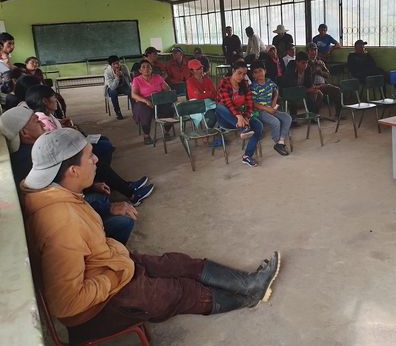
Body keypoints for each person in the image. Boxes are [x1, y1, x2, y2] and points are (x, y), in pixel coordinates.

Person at [21, 128, 281, 344]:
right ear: (73, 171)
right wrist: (114, 276)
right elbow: (67, 304)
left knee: (178, 263)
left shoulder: (61, 195)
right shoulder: (61, 222)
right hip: (97, 308)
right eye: (90, 157)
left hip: (109, 266)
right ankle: (248, 298)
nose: (96, 160)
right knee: (178, 292)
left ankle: (250, 283)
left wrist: (118, 263)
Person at [0, 107, 147, 244]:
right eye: (36, 121)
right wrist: (108, 208)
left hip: (72, 209)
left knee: (100, 179)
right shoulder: (29, 160)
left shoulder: (34, 150)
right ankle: (129, 195)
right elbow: (65, 194)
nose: (42, 122)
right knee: (122, 220)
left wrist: (93, 186)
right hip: (74, 221)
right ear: (24, 133)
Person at [25, 84, 116, 165]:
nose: (56, 100)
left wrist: (62, 123)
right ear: (45, 101)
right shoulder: (44, 122)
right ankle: (97, 168)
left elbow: (56, 128)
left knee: (104, 140)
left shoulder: (47, 115)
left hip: (70, 145)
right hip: (68, 152)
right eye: (53, 97)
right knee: (105, 146)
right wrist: (71, 131)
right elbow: (59, 144)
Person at [216, 60, 263, 167]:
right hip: (227, 119)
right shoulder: (224, 83)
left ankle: (247, 156)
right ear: (233, 71)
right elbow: (227, 103)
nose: (241, 76)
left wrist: (245, 117)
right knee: (219, 106)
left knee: (259, 126)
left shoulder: (244, 84)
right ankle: (244, 128)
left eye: (244, 74)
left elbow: (249, 103)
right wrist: (239, 117)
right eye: (239, 73)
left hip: (242, 119)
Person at [250, 61, 292, 156]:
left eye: (260, 70)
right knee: (275, 122)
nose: (259, 73)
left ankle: (281, 142)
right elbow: (253, 104)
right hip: (259, 112)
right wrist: (267, 109)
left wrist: (274, 101)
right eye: (255, 72)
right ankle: (277, 141)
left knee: (287, 118)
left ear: (265, 71)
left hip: (270, 109)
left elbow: (276, 90)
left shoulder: (270, 82)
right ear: (253, 75)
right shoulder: (253, 87)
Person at [131, 59, 174, 145]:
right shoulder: (136, 80)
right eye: (143, 67)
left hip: (159, 99)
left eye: (148, 67)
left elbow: (168, 89)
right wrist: (146, 100)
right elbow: (134, 95)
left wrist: (162, 96)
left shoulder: (158, 77)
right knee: (143, 111)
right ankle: (146, 135)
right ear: (140, 70)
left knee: (169, 109)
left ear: (151, 69)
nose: (146, 69)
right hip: (144, 101)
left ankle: (166, 132)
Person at [280, 51, 322, 115]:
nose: (305, 65)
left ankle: (314, 114)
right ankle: (293, 117)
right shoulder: (291, 67)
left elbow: (309, 83)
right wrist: (307, 90)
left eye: (307, 62)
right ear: (297, 62)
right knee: (295, 97)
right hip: (289, 91)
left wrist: (314, 88)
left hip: (302, 90)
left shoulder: (308, 69)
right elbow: (291, 85)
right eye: (303, 63)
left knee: (319, 94)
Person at [307, 43, 342, 118]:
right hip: (312, 86)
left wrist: (320, 72)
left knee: (337, 90)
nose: (314, 52)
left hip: (322, 84)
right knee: (316, 94)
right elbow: (306, 77)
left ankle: (338, 114)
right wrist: (314, 71)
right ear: (308, 52)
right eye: (311, 50)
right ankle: (314, 116)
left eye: (315, 50)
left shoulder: (320, 62)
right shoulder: (306, 63)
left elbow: (328, 74)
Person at [186, 59, 218, 128]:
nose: (200, 70)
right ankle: (208, 131)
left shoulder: (207, 79)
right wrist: (209, 93)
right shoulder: (190, 81)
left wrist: (204, 93)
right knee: (213, 117)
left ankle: (218, 130)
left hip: (210, 104)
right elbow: (197, 96)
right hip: (197, 106)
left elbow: (215, 94)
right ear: (192, 71)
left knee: (221, 111)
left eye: (201, 68)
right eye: (197, 69)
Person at [104, 55, 132, 120]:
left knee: (132, 91)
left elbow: (129, 79)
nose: (117, 65)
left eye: (118, 63)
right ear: (110, 65)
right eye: (114, 64)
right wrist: (117, 77)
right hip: (112, 88)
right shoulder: (107, 71)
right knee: (113, 92)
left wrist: (123, 75)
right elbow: (112, 87)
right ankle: (118, 112)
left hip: (123, 86)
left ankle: (135, 110)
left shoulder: (124, 67)